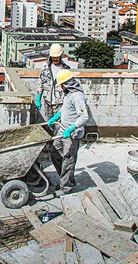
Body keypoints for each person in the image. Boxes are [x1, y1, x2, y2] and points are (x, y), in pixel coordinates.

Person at [46, 69, 92, 197]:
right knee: (55, 153)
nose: (60, 87)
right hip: (62, 129)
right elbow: (65, 108)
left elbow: (84, 117)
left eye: (61, 85)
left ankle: (65, 186)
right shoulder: (68, 94)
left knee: (68, 159)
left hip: (71, 133)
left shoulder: (77, 97)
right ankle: (67, 179)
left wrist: (71, 129)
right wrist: (57, 116)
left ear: (67, 84)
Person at [35, 44, 71, 122]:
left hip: (60, 103)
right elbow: (41, 82)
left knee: (59, 125)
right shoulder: (45, 67)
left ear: (61, 55)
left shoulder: (65, 69)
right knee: (48, 124)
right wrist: (38, 97)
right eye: (53, 57)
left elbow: (69, 87)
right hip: (47, 102)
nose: (55, 59)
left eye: (57, 57)